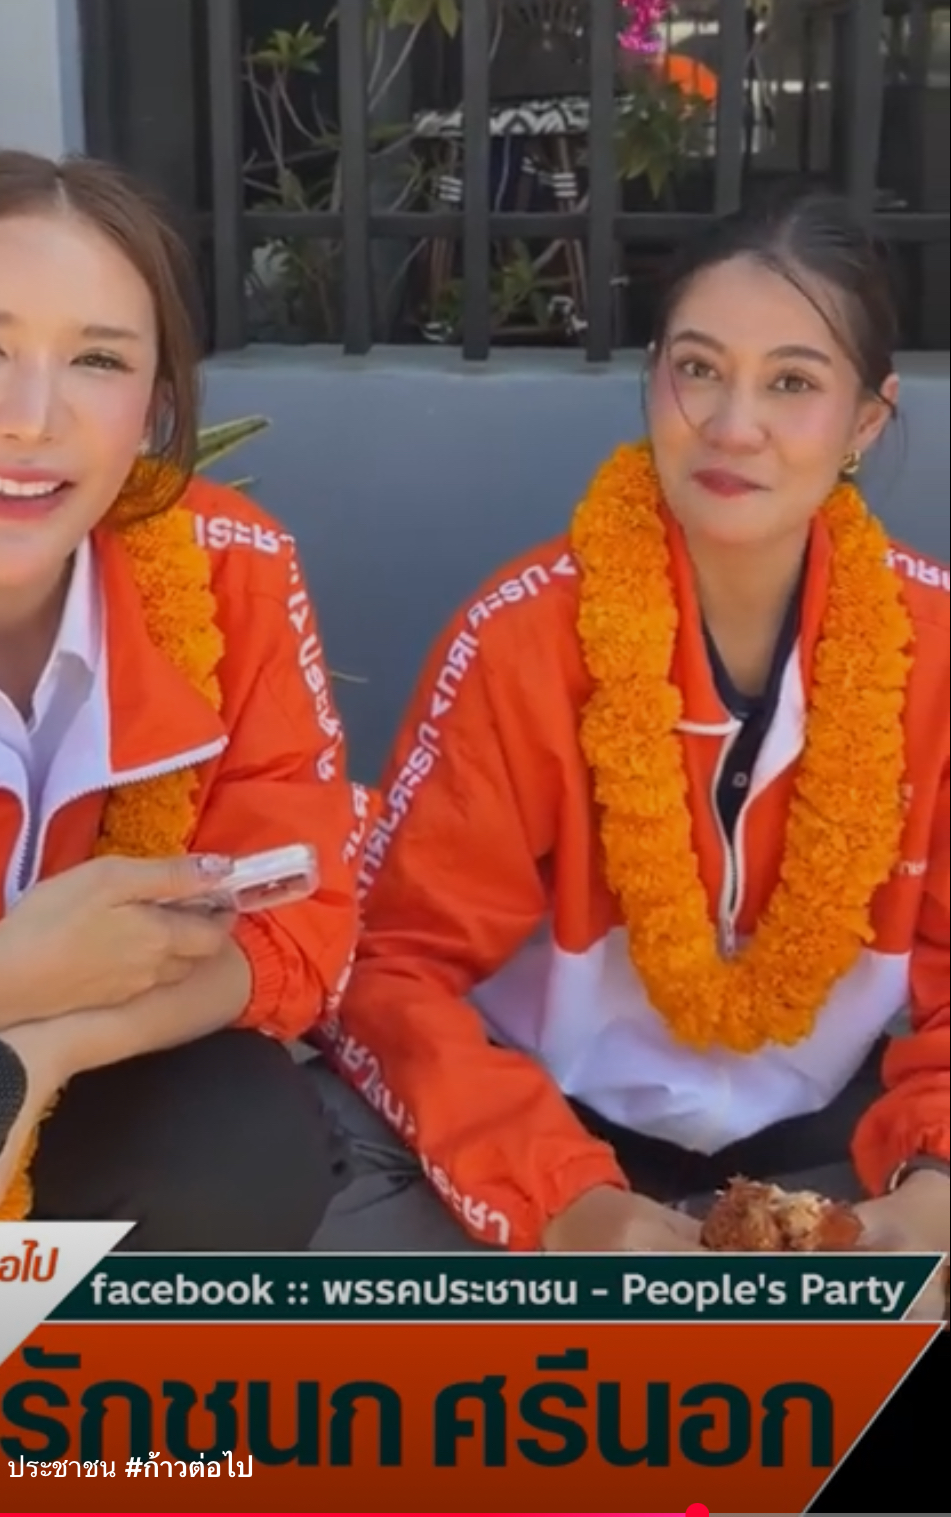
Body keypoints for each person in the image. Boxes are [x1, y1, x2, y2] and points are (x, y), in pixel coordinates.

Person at [310, 191, 949, 1314]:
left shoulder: (935, 647)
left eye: (792, 383)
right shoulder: (522, 638)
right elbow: (389, 967)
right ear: (653, 380)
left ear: (866, 420)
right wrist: (566, 1202)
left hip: (832, 1142)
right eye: (698, 368)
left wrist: (933, 1199)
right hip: (537, 1132)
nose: (733, 425)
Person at [0, 150, 366, 1248]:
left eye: (97, 359)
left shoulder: (228, 570)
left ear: (152, 406)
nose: (31, 418)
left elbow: (299, 922)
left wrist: (42, 1047)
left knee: (239, 1138)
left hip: (40, 1096)